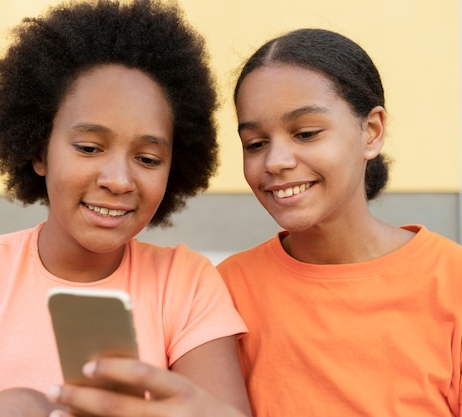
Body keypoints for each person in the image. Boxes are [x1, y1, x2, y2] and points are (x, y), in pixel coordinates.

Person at [0, 1, 252, 417]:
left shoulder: (186, 285)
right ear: (39, 152)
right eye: (89, 148)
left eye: (147, 159)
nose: (119, 180)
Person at [42, 28, 462, 417]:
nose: (276, 162)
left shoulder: (451, 282)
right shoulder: (223, 291)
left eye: (306, 133)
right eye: (255, 143)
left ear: (371, 132)